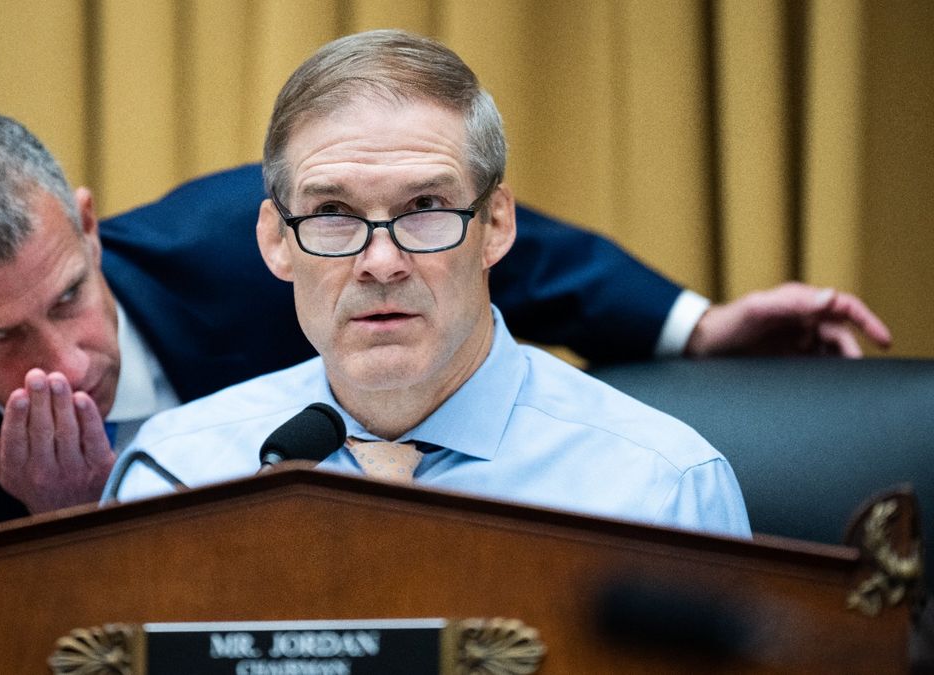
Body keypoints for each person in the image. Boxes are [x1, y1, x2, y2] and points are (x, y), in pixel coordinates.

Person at [0, 88, 884, 554]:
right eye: (1, 338)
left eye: (71, 297)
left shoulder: (237, 236)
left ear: (89, 229)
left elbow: (476, 235)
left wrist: (698, 327)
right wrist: (67, 539)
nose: (64, 358)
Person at [106, 30, 755, 536]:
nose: (381, 261)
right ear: (276, 241)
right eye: (332, 213)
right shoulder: (177, 477)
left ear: (496, 224)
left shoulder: (661, 488)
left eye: (423, 208)